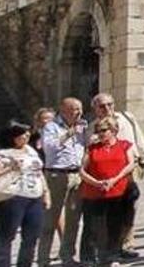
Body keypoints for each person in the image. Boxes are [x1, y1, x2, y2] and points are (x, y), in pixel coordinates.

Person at [83, 93, 144, 260]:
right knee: (110, 214)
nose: (107, 108)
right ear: (95, 108)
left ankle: (126, 244)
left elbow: (138, 137)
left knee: (130, 208)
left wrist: (143, 159)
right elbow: (87, 153)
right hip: (106, 176)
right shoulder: (91, 127)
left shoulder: (126, 117)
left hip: (128, 169)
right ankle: (108, 248)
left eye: (110, 104)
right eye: (102, 106)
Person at [0, 122, 50, 267]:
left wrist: (46, 192)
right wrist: (9, 169)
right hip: (11, 198)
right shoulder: (3, 155)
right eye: (22, 133)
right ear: (12, 136)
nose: (26, 136)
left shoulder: (31, 151)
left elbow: (38, 173)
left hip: (34, 197)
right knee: (6, 236)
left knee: (32, 236)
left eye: (27, 133)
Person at [78, 116, 136, 267]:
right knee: (94, 227)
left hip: (117, 191)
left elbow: (130, 165)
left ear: (114, 130)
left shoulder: (124, 145)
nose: (101, 134)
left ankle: (112, 256)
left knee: (115, 226)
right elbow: (82, 170)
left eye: (104, 130)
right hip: (95, 193)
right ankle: (90, 258)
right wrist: (96, 183)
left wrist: (114, 180)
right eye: (98, 131)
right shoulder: (92, 148)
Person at [37, 97, 86, 267]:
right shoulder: (52, 127)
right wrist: (69, 134)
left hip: (77, 175)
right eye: (74, 109)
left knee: (73, 219)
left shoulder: (83, 127)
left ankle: (68, 256)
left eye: (80, 109)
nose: (79, 112)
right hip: (57, 175)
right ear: (64, 110)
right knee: (51, 218)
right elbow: (49, 147)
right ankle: (43, 259)